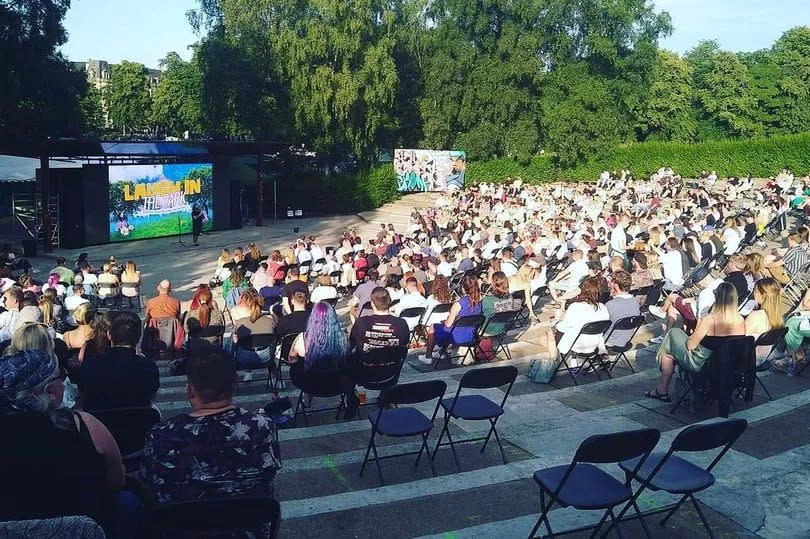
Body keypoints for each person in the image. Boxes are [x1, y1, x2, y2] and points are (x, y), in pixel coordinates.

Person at [139, 343, 280, 538]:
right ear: (235, 382)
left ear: (190, 390)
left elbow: (148, 484)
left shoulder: (161, 434)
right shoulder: (262, 426)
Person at [0, 348, 125, 529]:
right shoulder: (85, 425)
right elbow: (117, 479)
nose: (64, 382)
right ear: (49, 391)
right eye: (61, 376)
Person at [646, 282, 744, 402]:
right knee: (672, 339)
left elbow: (690, 345)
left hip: (703, 362)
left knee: (670, 346)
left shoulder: (709, 320)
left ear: (717, 297)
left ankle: (661, 391)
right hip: (727, 362)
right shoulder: (740, 320)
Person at [79, 311, 159, 411]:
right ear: (138, 338)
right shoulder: (149, 366)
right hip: (139, 423)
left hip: (98, 422)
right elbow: (150, 398)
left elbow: (82, 396)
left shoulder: (90, 365)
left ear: (109, 335)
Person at [543, 278, 610, 368]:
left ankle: (553, 364)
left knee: (549, 333)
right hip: (594, 344)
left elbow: (562, 328)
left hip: (577, 345)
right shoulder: (603, 307)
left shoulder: (575, 307)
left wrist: (557, 321)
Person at [418, 276, 483, 366]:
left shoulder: (459, 303)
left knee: (433, 327)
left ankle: (428, 356)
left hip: (457, 336)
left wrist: (444, 321)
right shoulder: (479, 303)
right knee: (453, 327)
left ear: (463, 288)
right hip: (471, 336)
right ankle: (441, 352)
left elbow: (448, 324)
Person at [289, 301, 350, 372]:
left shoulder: (302, 338)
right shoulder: (343, 338)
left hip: (307, 379)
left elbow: (292, 360)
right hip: (335, 378)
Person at [351, 287, 410, 354]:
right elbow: (405, 344)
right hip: (393, 362)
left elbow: (352, 343)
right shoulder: (401, 323)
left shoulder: (361, 322)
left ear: (372, 304)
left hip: (365, 363)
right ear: (390, 301)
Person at [231, 289, 276, 369]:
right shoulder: (270, 321)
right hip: (266, 358)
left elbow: (235, 343)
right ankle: (276, 377)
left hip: (244, 358)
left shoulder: (240, 323)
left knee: (230, 342)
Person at [605, 271, 641, 348]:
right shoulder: (635, 301)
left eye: (611, 281)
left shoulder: (610, 305)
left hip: (610, 341)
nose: (609, 283)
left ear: (616, 285)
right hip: (626, 340)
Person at [482, 271, 522, 335]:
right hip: (502, 327)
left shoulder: (487, 300)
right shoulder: (510, 297)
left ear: (493, 283)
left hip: (487, 329)